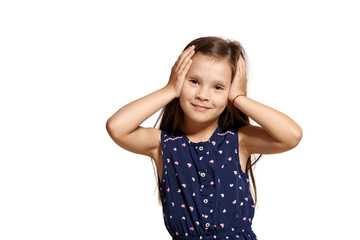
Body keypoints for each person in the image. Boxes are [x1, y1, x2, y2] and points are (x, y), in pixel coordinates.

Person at [106, 36, 302, 239]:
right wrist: (170, 90)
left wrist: (239, 98)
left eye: (218, 87)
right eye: (193, 81)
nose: (203, 95)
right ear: (179, 78)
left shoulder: (239, 141)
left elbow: (291, 135)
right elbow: (117, 127)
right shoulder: (163, 144)